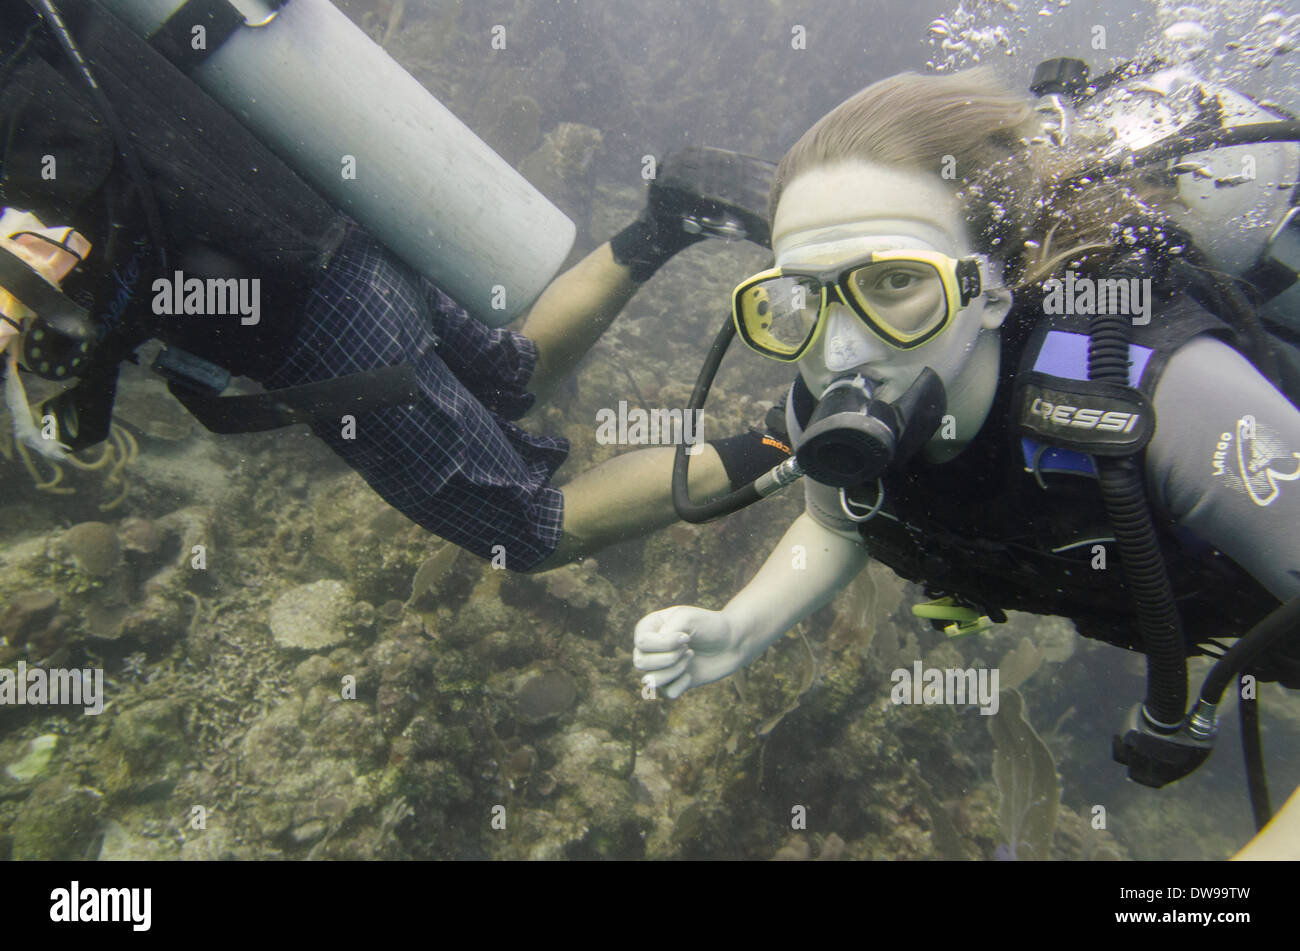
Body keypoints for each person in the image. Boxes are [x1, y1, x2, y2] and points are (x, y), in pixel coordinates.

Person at [633, 66, 1300, 847]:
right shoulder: (827, 395)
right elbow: (839, 524)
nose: (842, 348)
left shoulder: (1160, 396)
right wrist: (741, 627)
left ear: (991, 289)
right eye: (803, 299)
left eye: (897, 283)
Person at [0, 0, 791, 574]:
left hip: (297, 314)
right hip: (332, 222)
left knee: (533, 532)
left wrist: (25, 303)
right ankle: (671, 217)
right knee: (516, 374)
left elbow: (80, 194)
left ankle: (791, 437)